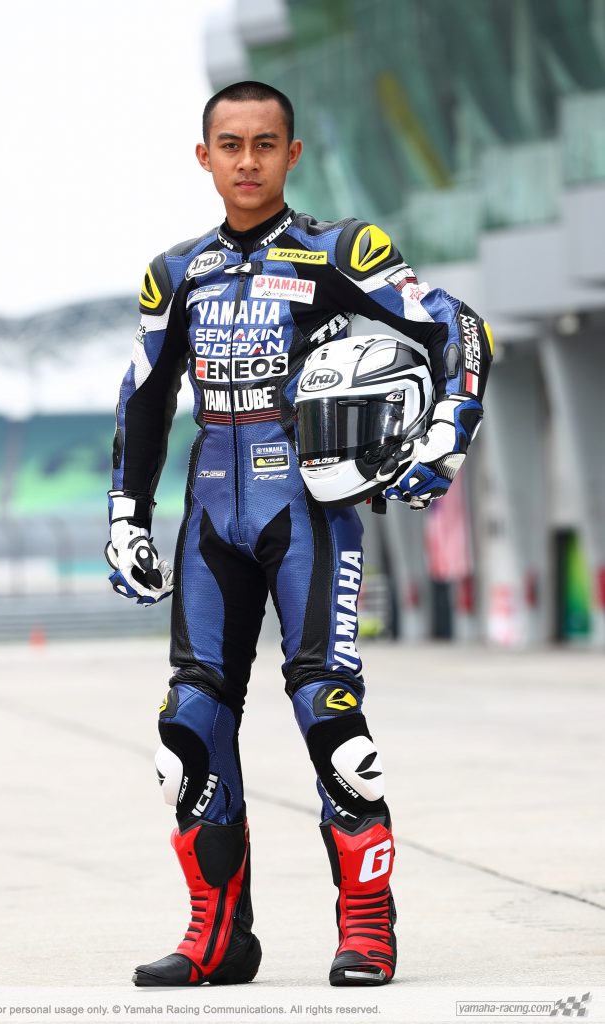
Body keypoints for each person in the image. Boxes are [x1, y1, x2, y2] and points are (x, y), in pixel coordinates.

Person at [105, 81, 493, 988]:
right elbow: (145, 400)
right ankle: (217, 938)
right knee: (187, 727)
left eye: (265, 144)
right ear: (203, 156)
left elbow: (458, 327)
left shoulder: (338, 249)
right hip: (210, 516)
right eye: (230, 145)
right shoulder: (175, 272)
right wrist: (127, 512)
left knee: (330, 716)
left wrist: (449, 427)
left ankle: (366, 931)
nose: (247, 161)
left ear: (293, 153)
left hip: (308, 514)